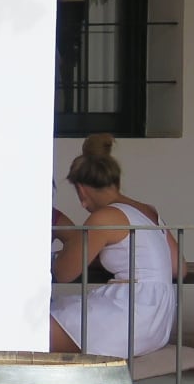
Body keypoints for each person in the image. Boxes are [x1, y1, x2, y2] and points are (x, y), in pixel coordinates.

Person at [50, 135, 179, 357]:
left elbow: (64, 272)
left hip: (128, 317)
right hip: (159, 319)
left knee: (31, 328)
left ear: (82, 191)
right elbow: (179, 268)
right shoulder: (148, 211)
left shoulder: (104, 218)